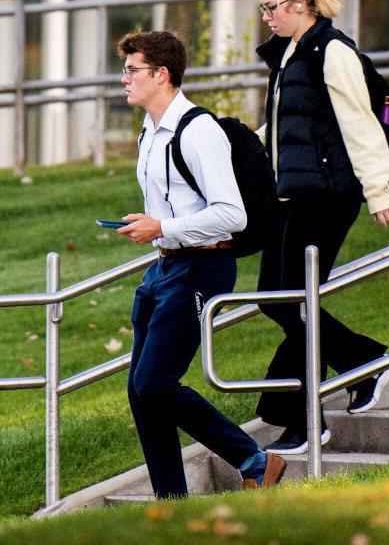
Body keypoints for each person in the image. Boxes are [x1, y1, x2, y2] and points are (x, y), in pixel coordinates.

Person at [111, 30, 285, 497]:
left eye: (133, 70)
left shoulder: (198, 130)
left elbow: (232, 214)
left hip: (202, 267)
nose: (123, 78)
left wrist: (161, 229)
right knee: (141, 392)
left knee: (154, 384)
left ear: (162, 75)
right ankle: (172, 501)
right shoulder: (150, 130)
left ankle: (254, 459)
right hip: (163, 269)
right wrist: (151, 228)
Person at [252, 0, 389, 455]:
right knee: (276, 296)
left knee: (291, 299)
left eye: (272, 7)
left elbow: (362, 124)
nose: (266, 16)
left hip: (328, 196)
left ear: (299, 3)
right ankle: (362, 363)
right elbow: (285, 126)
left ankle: (306, 418)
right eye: (263, 8)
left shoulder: (332, 52)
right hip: (292, 195)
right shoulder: (290, 54)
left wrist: (378, 191)